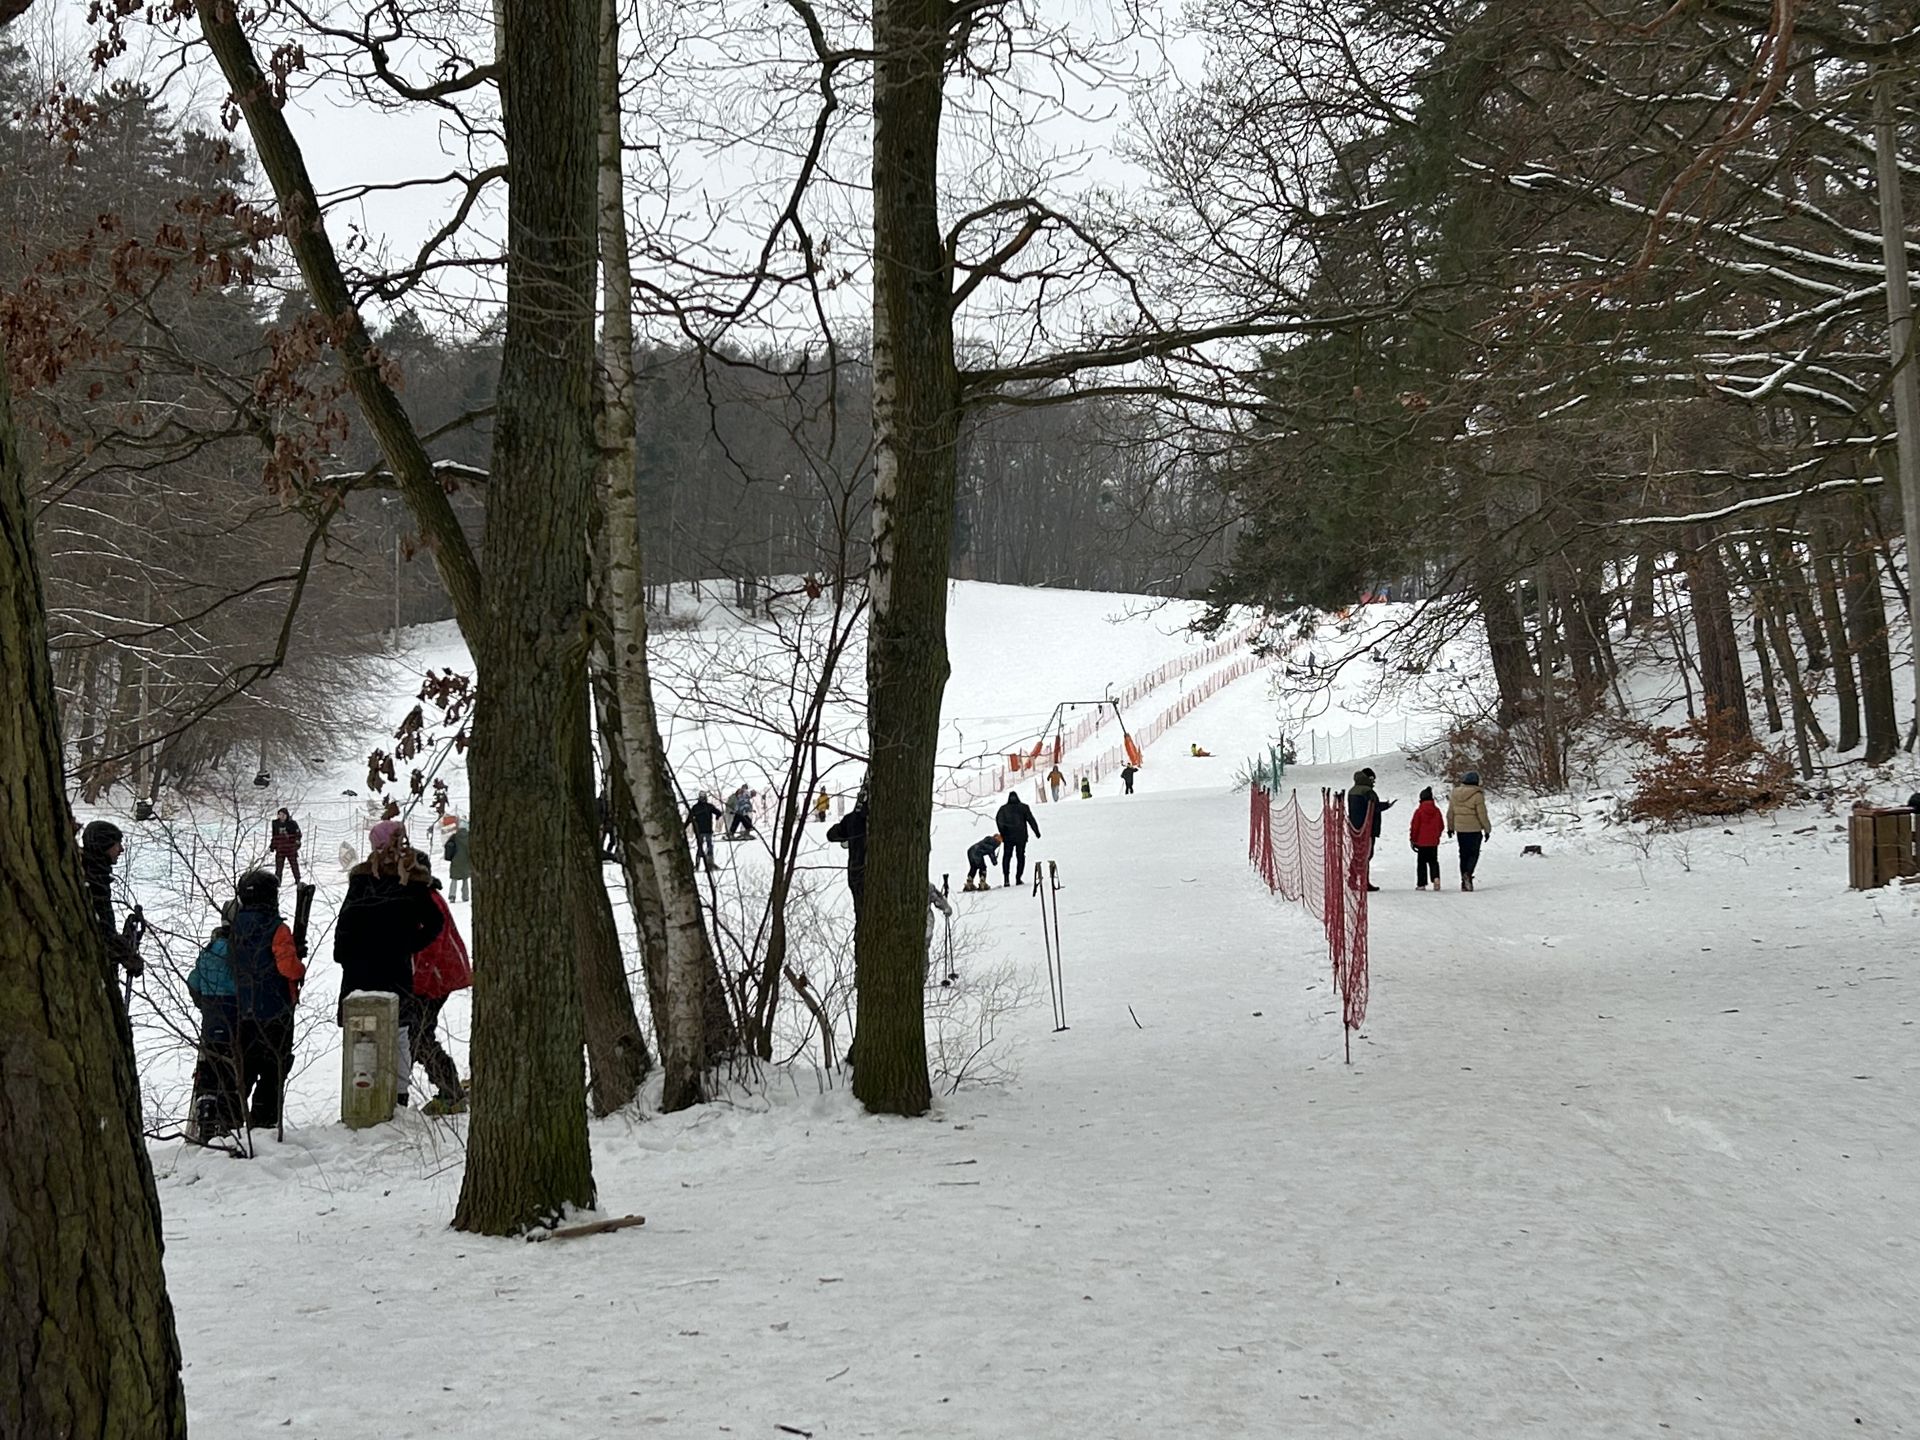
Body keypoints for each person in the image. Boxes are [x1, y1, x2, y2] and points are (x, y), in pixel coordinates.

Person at [335, 821, 444, 1107]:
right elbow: (435, 922)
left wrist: (345, 954)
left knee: (371, 1029)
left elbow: (345, 922)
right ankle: (393, 1095)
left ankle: (369, 1094)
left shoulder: (371, 879)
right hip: (388, 967)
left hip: (363, 968)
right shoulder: (406, 879)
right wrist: (406, 944)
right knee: (397, 1032)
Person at [223, 868, 305, 1131]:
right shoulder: (276, 928)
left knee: (246, 1067)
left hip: (244, 1010)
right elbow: (288, 969)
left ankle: (233, 1121)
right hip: (275, 1010)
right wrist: (299, 963)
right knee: (273, 1069)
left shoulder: (235, 928)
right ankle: (264, 1123)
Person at [409, 850, 471, 1113]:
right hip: (437, 977)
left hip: (437, 979)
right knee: (416, 1035)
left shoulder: (427, 901)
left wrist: (418, 985)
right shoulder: (423, 898)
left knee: (419, 1035)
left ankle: (451, 1091)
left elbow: (430, 950)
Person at [186, 904, 241, 1141]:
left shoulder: (209, 950)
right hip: (234, 1017)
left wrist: (204, 1004)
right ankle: (228, 1120)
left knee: (210, 1066)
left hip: (211, 1020)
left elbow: (193, 981)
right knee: (230, 1069)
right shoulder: (240, 951)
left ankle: (206, 1110)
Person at [80, 819, 141, 991]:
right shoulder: (92, 881)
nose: (121, 849)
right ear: (104, 846)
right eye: (117, 844)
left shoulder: (95, 876)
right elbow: (99, 929)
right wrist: (126, 954)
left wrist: (126, 938)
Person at [1346, 768, 1392, 892]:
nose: (1373, 782)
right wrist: (1386, 805)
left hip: (1355, 827)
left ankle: (1353, 878)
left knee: (1358, 854)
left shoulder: (1352, 791)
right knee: (1366, 855)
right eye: (1372, 779)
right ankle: (1363, 882)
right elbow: (1373, 807)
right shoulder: (1368, 791)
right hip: (1368, 828)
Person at [1447, 770, 1493, 892]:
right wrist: (1487, 829)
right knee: (1474, 854)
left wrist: (1450, 827)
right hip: (1474, 830)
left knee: (1463, 854)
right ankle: (1468, 874)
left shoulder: (1454, 794)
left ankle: (1464, 881)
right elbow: (1482, 815)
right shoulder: (1477, 796)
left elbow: (1450, 813)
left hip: (1460, 830)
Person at [825, 784, 869, 913]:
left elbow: (832, 834)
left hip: (855, 873)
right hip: (866, 874)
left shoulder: (852, 819)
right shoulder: (880, 820)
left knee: (862, 915)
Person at [994, 789, 1041, 887]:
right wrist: (1036, 832)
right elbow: (1031, 820)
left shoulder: (1003, 809)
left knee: (1007, 857)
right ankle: (1018, 878)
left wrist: (1002, 832)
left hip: (1008, 837)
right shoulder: (1023, 807)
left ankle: (1006, 879)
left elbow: (998, 820)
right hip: (1021, 837)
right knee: (1020, 856)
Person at [1409, 786, 1446, 891]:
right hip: (1433, 842)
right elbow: (1441, 825)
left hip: (1422, 842)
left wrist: (1413, 839)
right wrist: (1437, 835)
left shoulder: (1419, 811)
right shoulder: (1437, 811)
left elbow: (1415, 827)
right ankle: (1436, 878)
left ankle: (1421, 883)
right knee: (1433, 861)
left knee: (1421, 863)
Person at [685, 790, 722, 871]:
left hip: (699, 831)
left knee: (700, 847)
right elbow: (719, 812)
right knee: (709, 847)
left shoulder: (695, 807)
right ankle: (710, 865)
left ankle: (697, 865)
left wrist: (683, 827)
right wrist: (717, 817)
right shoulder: (709, 806)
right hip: (708, 830)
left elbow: (689, 819)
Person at [270, 807, 304, 884]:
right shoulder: (275, 823)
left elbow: (298, 834)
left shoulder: (292, 823)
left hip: (290, 848)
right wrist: (272, 845)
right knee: (279, 867)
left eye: (283, 815)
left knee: (294, 865)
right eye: (279, 815)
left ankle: (297, 879)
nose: (281, 816)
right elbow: (274, 835)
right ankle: (278, 881)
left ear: (286, 815)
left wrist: (296, 843)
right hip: (280, 848)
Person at [443, 816, 472, 902]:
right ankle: (465, 896)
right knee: (465, 879)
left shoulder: (454, 836)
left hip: (455, 860)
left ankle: (452, 895)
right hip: (466, 861)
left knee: (454, 879)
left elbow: (447, 846)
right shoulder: (469, 837)